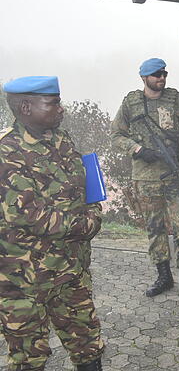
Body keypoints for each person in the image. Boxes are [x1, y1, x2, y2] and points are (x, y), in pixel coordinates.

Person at [0, 76, 104, 371]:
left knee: (88, 345)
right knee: (29, 358)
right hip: (23, 281)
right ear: (25, 107)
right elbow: (27, 214)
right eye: (53, 102)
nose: (61, 109)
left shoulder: (63, 140)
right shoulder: (6, 151)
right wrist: (87, 225)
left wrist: (93, 208)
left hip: (71, 271)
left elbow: (83, 186)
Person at [111, 58, 179, 298]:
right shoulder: (131, 103)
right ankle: (163, 276)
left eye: (164, 74)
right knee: (155, 228)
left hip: (176, 174)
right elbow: (116, 135)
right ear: (144, 77)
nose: (161, 79)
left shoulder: (177, 100)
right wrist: (137, 149)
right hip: (146, 178)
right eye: (156, 75)